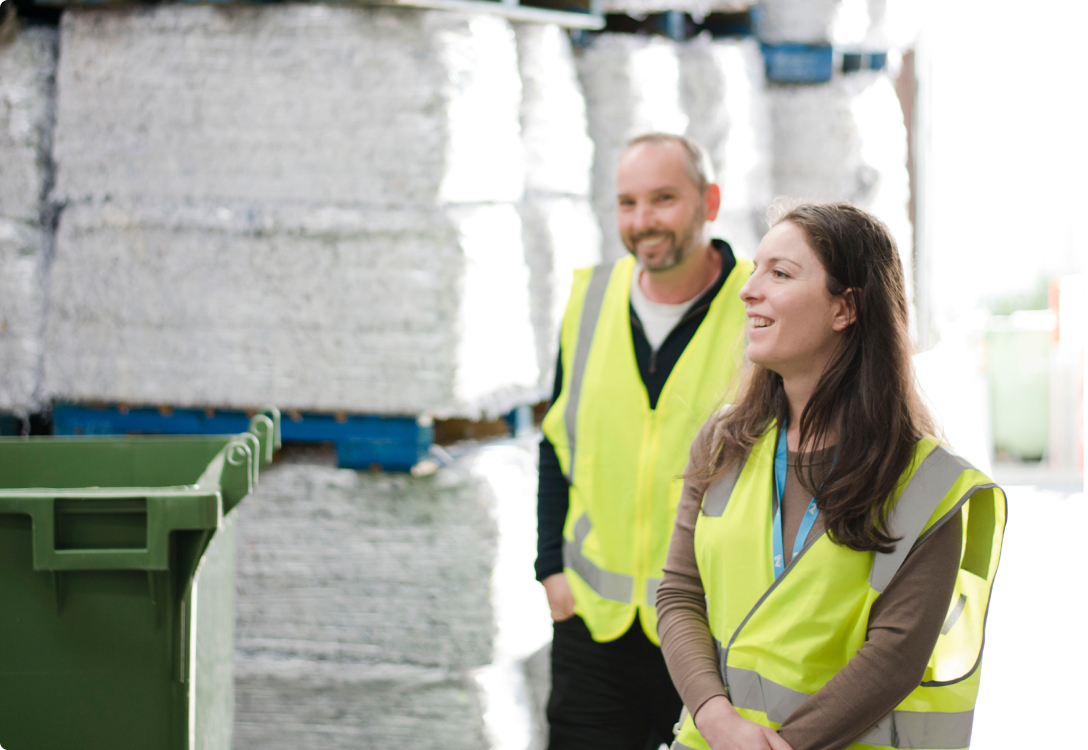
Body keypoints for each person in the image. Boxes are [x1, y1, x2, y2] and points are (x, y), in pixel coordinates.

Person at [656, 202, 1006, 750]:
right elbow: (678, 594)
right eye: (755, 269)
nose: (749, 290)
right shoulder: (724, 444)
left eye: (780, 273)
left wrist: (781, 746)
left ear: (846, 309)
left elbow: (895, 655)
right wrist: (717, 720)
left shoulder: (926, 483)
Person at [536, 133, 755, 749]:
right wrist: (550, 567)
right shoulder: (589, 298)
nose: (643, 221)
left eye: (663, 199)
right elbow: (558, 441)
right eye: (627, 203)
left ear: (708, 201)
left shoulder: (756, 307)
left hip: (709, 629)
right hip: (593, 624)